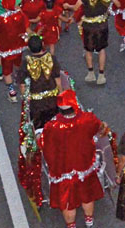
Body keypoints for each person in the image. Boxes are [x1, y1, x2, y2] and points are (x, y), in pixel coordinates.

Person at [39, 89, 109, 228]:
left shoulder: (51, 127)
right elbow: (101, 129)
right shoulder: (87, 119)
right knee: (87, 196)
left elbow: (44, 146)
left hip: (63, 172)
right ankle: (89, 220)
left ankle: (71, 225)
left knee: (68, 202)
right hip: (85, 169)